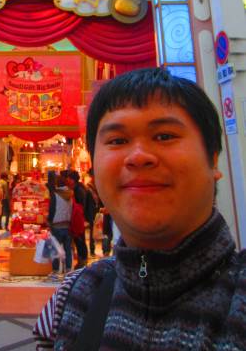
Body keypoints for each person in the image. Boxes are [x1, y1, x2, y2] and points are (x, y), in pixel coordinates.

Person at [34, 67, 246, 350]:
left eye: (164, 136)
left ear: (213, 159)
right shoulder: (74, 297)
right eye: (117, 141)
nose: (138, 157)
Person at [48, 174, 73, 275]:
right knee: (67, 248)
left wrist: (49, 220)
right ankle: (68, 268)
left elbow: (52, 209)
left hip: (57, 224)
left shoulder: (55, 195)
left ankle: (55, 269)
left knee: (55, 247)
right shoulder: (70, 194)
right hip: (67, 223)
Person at [65, 170, 88, 268]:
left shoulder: (78, 190)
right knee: (79, 240)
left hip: (78, 218)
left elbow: (80, 206)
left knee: (80, 240)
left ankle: (83, 261)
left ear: (73, 180)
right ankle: (81, 260)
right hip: (77, 218)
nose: (67, 180)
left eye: (69, 178)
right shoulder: (77, 188)